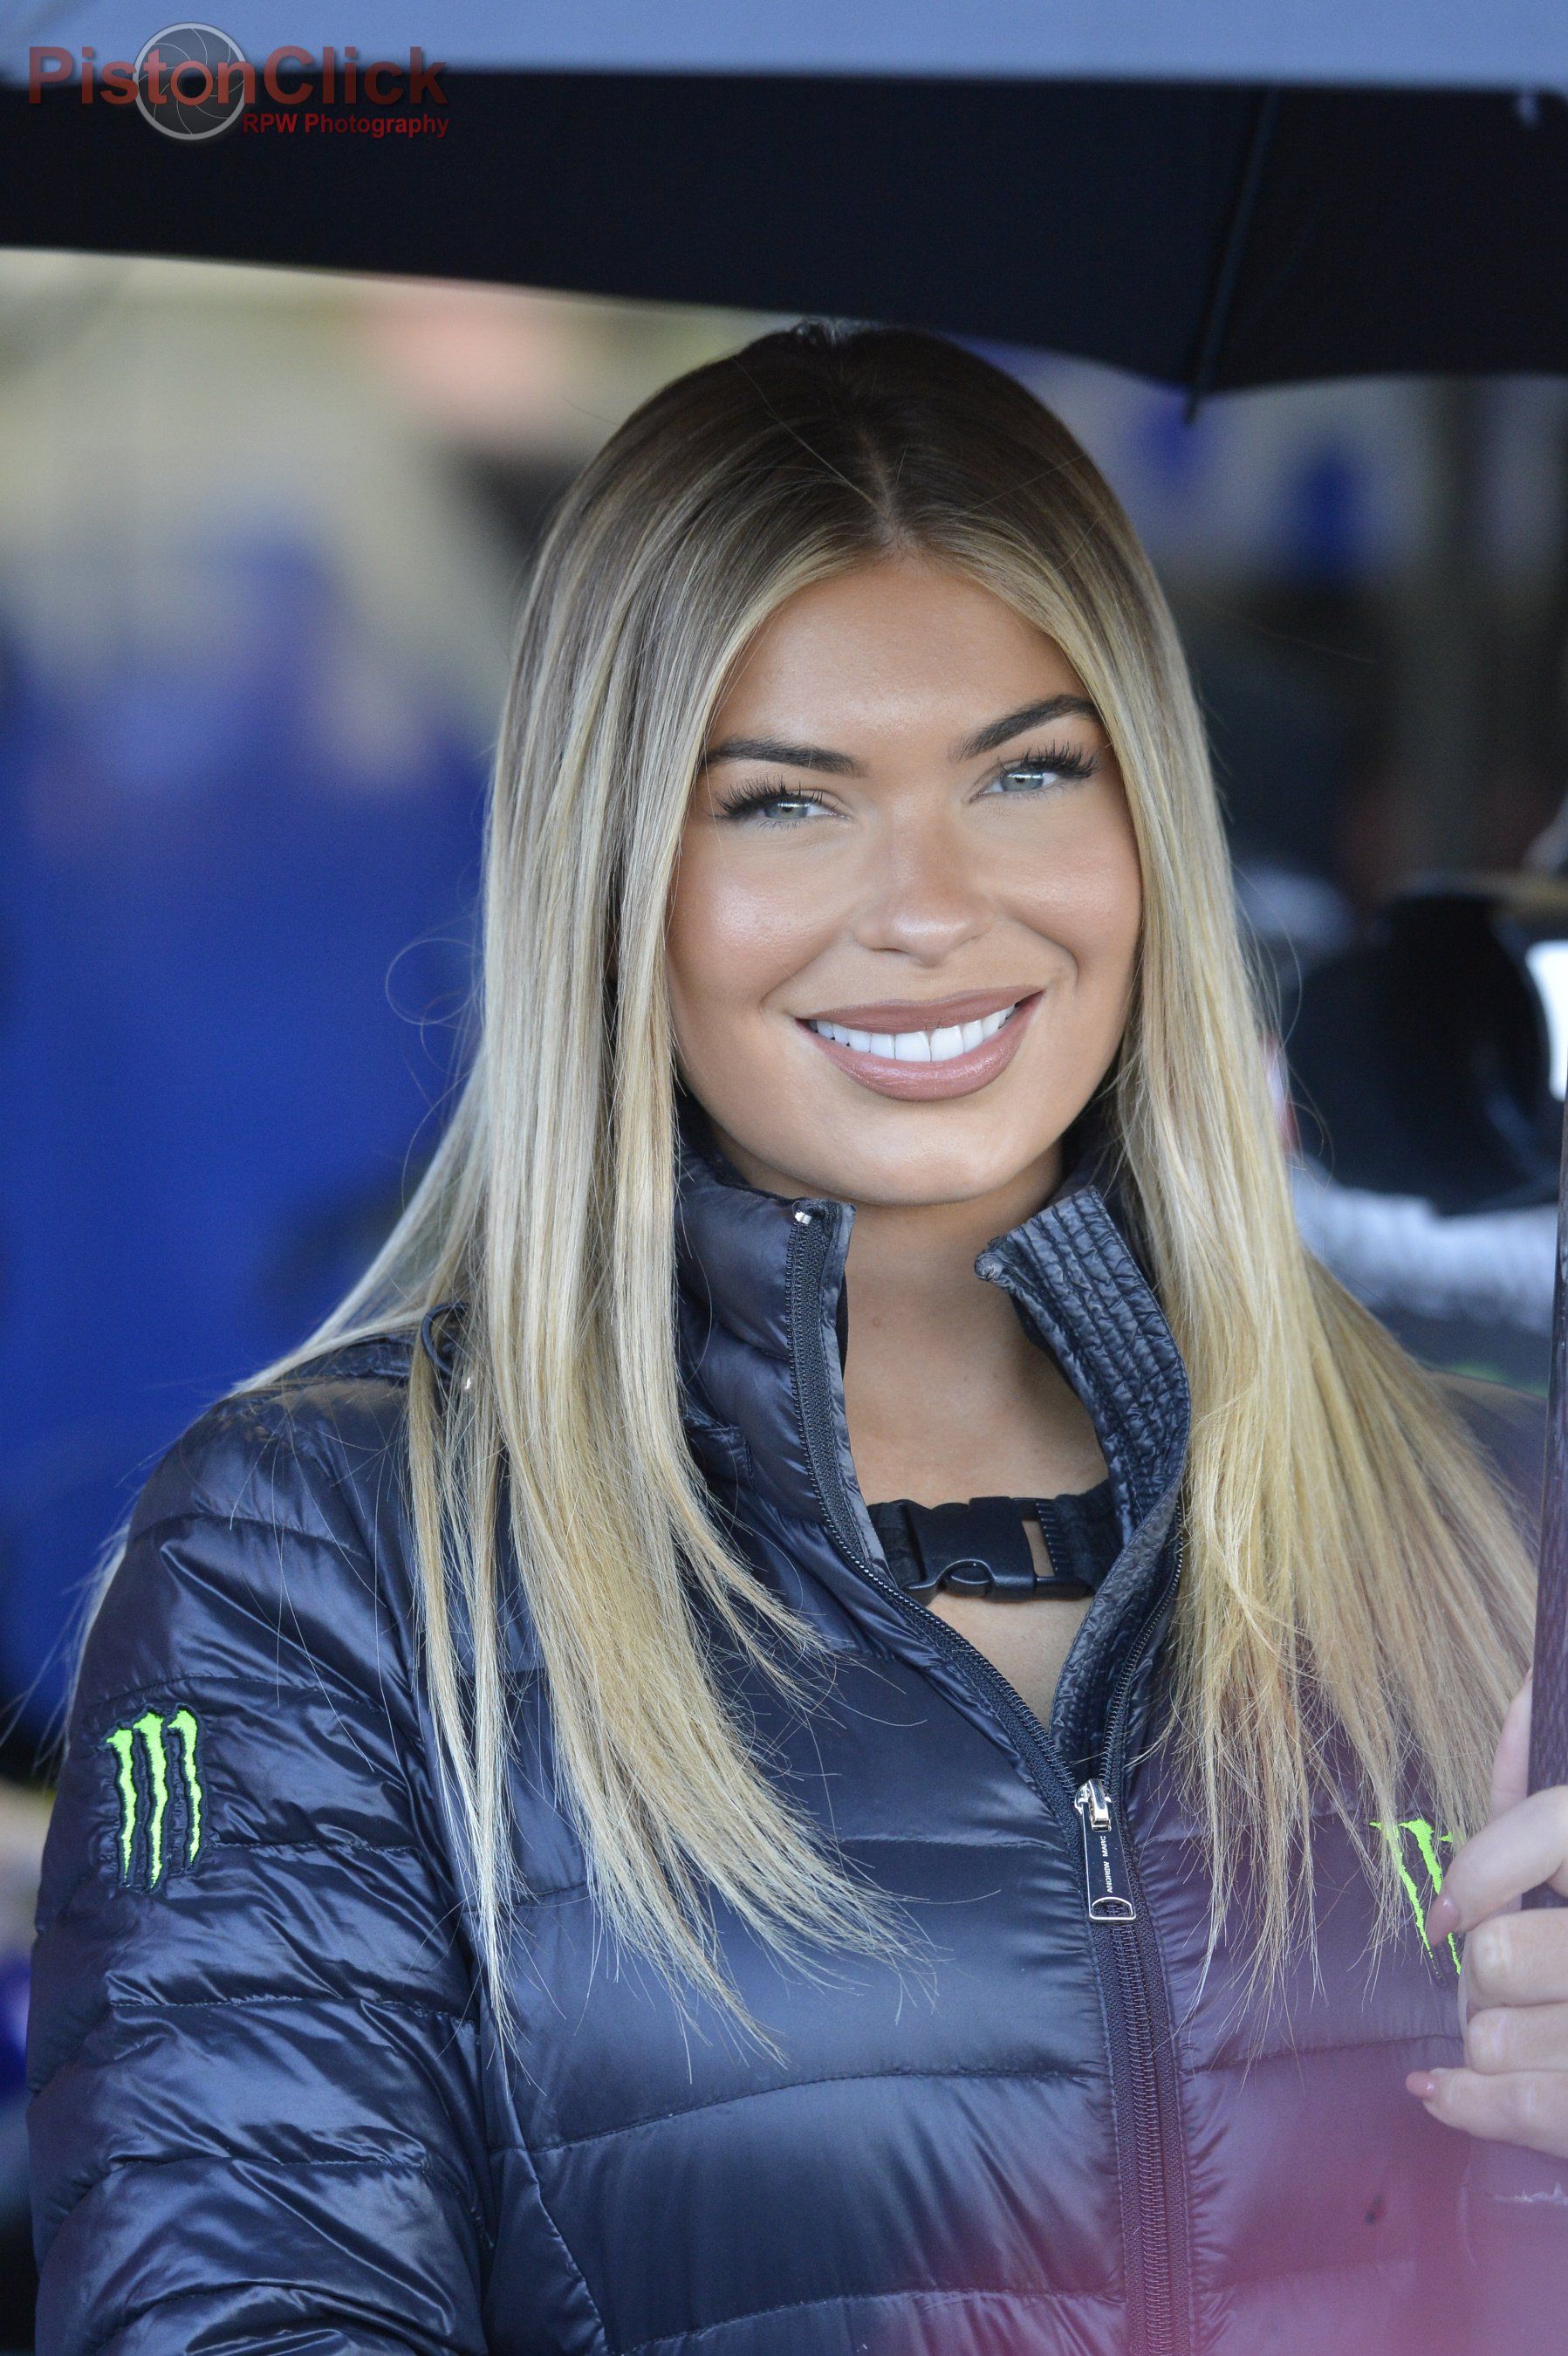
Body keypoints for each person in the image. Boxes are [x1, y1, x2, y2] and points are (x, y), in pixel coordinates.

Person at [23, 323, 1568, 2356]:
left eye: (1028, 772)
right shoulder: (322, 1560)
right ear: (612, 874)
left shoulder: (1495, 1522)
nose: (924, 907)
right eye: (781, 804)